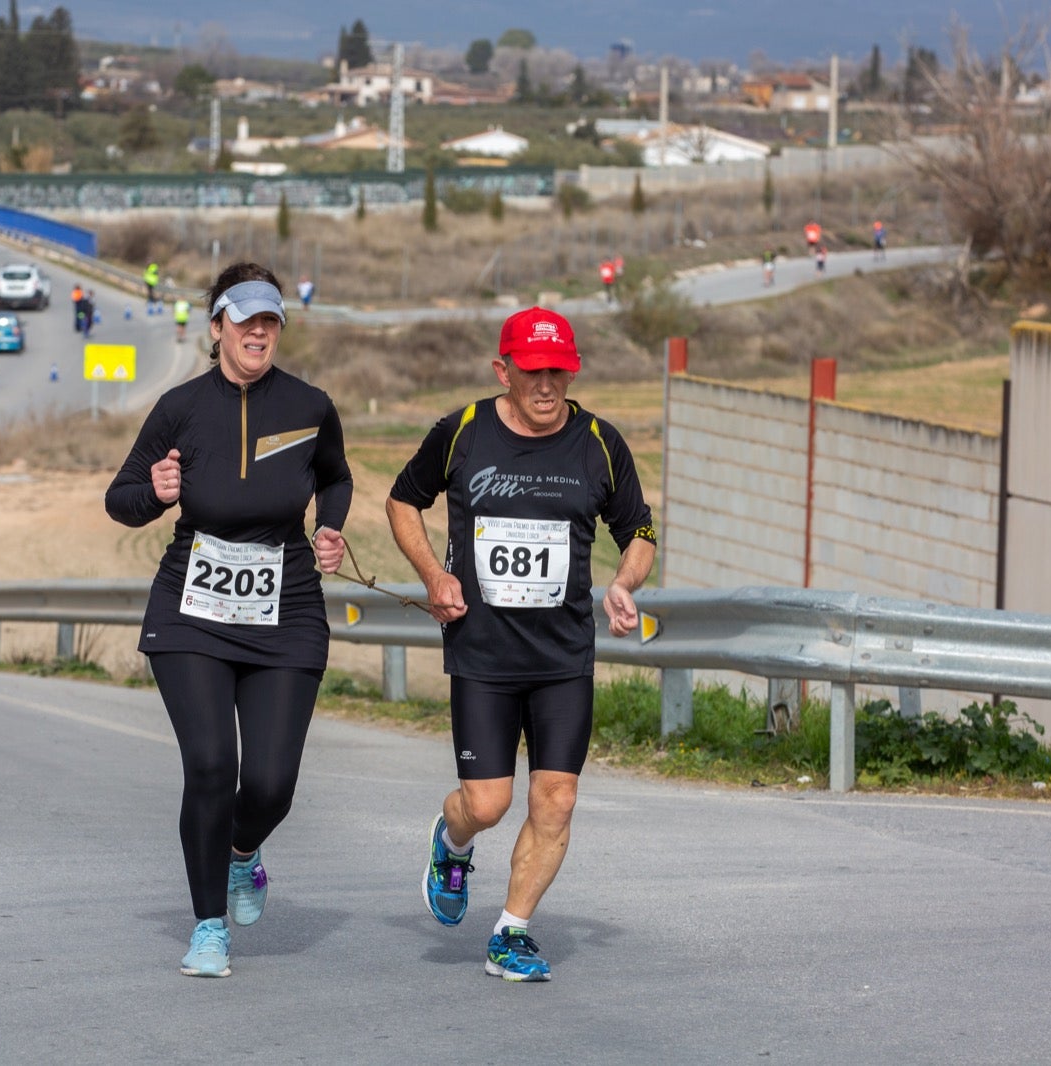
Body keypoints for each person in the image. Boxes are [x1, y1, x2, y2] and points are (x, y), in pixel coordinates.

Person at [386, 306, 656, 983]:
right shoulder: (463, 432)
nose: (547, 385)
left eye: (559, 371)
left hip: (563, 656)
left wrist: (625, 584)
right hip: (482, 653)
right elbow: (400, 500)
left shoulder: (598, 442)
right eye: (533, 372)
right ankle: (451, 844)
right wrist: (434, 574)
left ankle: (512, 931)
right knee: (487, 803)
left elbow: (642, 531)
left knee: (556, 798)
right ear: (502, 371)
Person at [105, 262, 352, 980]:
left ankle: (243, 853)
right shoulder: (180, 407)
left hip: (288, 604)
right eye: (244, 320)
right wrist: (152, 492)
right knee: (213, 765)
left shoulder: (310, 405)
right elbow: (121, 497)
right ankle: (208, 925)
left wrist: (330, 526)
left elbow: (335, 475)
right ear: (216, 328)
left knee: (271, 783)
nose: (258, 331)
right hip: (194, 606)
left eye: (270, 320)